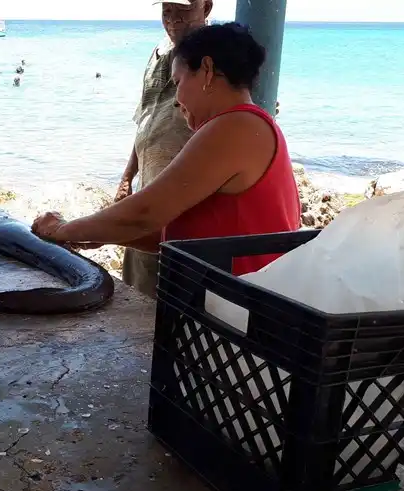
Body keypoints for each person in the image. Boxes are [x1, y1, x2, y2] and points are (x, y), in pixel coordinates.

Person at [32, 23, 300, 285]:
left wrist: (62, 229)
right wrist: (96, 232)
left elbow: (145, 213)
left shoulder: (236, 127)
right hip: (237, 296)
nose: (176, 101)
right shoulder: (245, 125)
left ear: (207, 71)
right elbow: (170, 236)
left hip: (240, 304)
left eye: (178, 82)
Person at [114, 0, 213, 297]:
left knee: (178, 290)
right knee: (140, 286)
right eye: (167, 11)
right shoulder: (159, 53)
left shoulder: (216, 58)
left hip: (185, 196)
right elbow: (146, 120)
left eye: (183, 10)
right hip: (148, 187)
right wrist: (127, 178)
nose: (173, 19)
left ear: (206, 7)